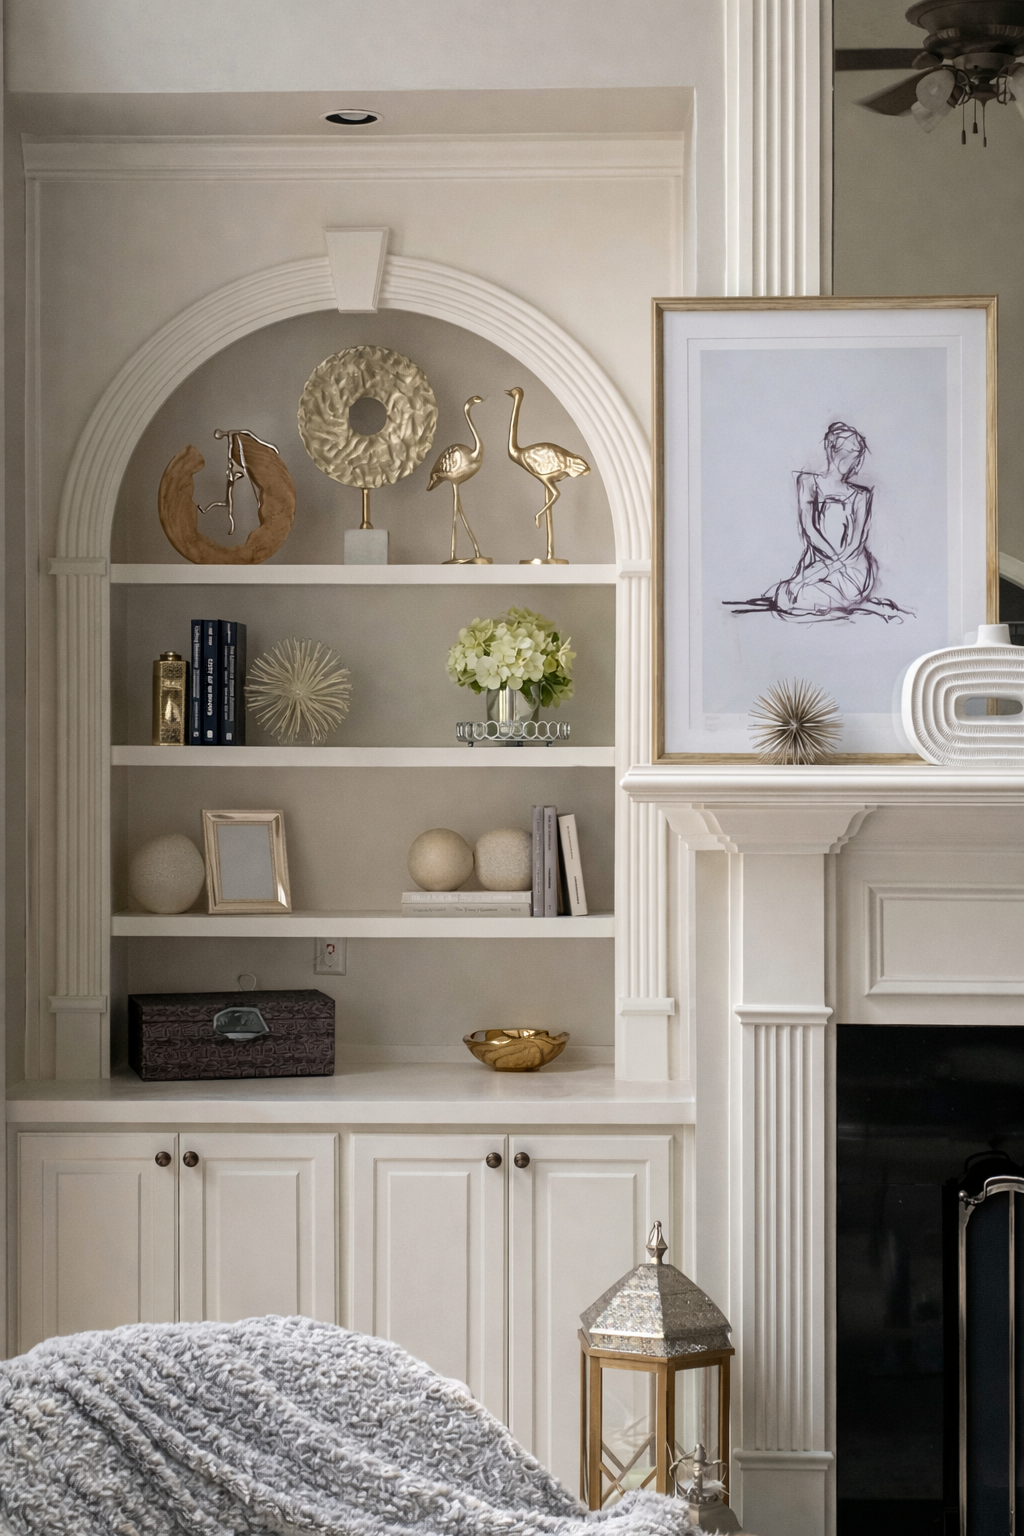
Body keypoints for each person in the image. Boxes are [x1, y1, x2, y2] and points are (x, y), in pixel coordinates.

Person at [724, 420, 910, 622]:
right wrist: (815, 571)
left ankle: (848, 601)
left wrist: (824, 570)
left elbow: (855, 546)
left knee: (791, 599)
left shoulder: (861, 495)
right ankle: (842, 601)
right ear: (832, 450)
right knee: (785, 595)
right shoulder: (807, 482)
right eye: (848, 453)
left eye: (857, 455)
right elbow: (809, 529)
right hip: (817, 564)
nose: (853, 462)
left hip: (851, 571)